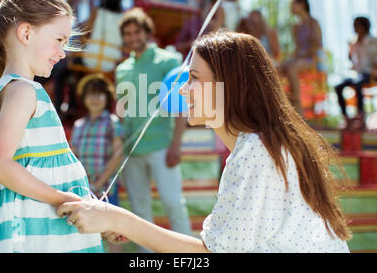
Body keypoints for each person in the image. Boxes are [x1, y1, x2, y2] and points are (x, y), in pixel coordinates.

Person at [58, 31, 351, 253]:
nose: (182, 90)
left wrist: (118, 220)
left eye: (193, 78)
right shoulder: (260, 147)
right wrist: (120, 222)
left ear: (230, 85)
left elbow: (209, 254)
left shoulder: (257, 153)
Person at [0, 0, 103, 253]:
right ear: (26, 33)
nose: (62, 52)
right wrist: (63, 199)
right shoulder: (22, 90)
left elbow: (57, 169)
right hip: (40, 232)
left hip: (49, 228)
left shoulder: (23, 90)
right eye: (59, 39)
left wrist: (95, 212)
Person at [113, 7, 192, 252]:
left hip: (162, 146)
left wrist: (176, 144)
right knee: (139, 211)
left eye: (137, 32)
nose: (132, 37)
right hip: (132, 150)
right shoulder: (121, 69)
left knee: (173, 204)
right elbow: (123, 112)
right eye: (127, 33)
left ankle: (190, 256)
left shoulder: (169, 61)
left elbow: (181, 106)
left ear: (147, 32)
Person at [70, 73, 124, 253]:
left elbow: (117, 155)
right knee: (85, 231)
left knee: (113, 232)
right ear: (84, 98)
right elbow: (73, 156)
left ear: (106, 98)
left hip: (106, 188)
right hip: (84, 190)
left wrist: (99, 183)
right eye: (90, 94)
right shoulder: (79, 125)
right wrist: (85, 184)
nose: (94, 99)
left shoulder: (112, 123)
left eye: (99, 94)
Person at [280, 0, 325, 115]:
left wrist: (301, 57)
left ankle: (297, 102)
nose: (291, 7)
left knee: (292, 69)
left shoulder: (313, 23)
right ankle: (283, 101)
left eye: (294, 4)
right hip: (300, 58)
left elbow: (316, 45)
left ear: (302, 4)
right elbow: (297, 48)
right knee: (278, 67)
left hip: (312, 58)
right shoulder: (296, 27)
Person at [335, 17, 377, 130]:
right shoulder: (353, 42)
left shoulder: (373, 41)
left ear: (364, 27)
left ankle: (360, 115)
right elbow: (351, 60)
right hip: (357, 74)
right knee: (338, 86)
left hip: (370, 74)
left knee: (358, 83)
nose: (354, 28)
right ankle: (346, 117)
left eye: (357, 25)